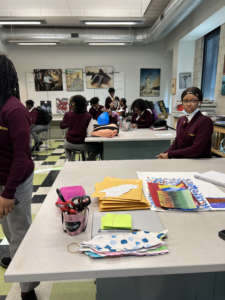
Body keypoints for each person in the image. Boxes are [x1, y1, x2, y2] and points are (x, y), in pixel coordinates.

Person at [0, 55, 39, 300]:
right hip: (2, 179)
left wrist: (8, 192)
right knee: (9, 229)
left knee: (20, 232)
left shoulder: (14, 110)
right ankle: (16, 260)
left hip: (16, 181)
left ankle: (28, 289)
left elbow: (22, 157)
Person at [156, 87, 213, 159]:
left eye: (193, 101)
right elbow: (177, 142)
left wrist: (170, 154)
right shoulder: (181, 119)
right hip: (182, 159)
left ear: (199, 102)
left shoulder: (205, 122)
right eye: (185, 101)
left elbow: (196, 150)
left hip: (199, 162)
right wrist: (165, 153)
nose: (188, 104)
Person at [60, 95, 102, 161]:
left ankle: (70, 162)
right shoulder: (88, 116)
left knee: (67, 147)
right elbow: (89, 134)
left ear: (74, 104)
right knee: (99, 147)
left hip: (68, 143)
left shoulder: (68, 114)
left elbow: (62, 126)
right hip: (82, 143)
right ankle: (88, 161)